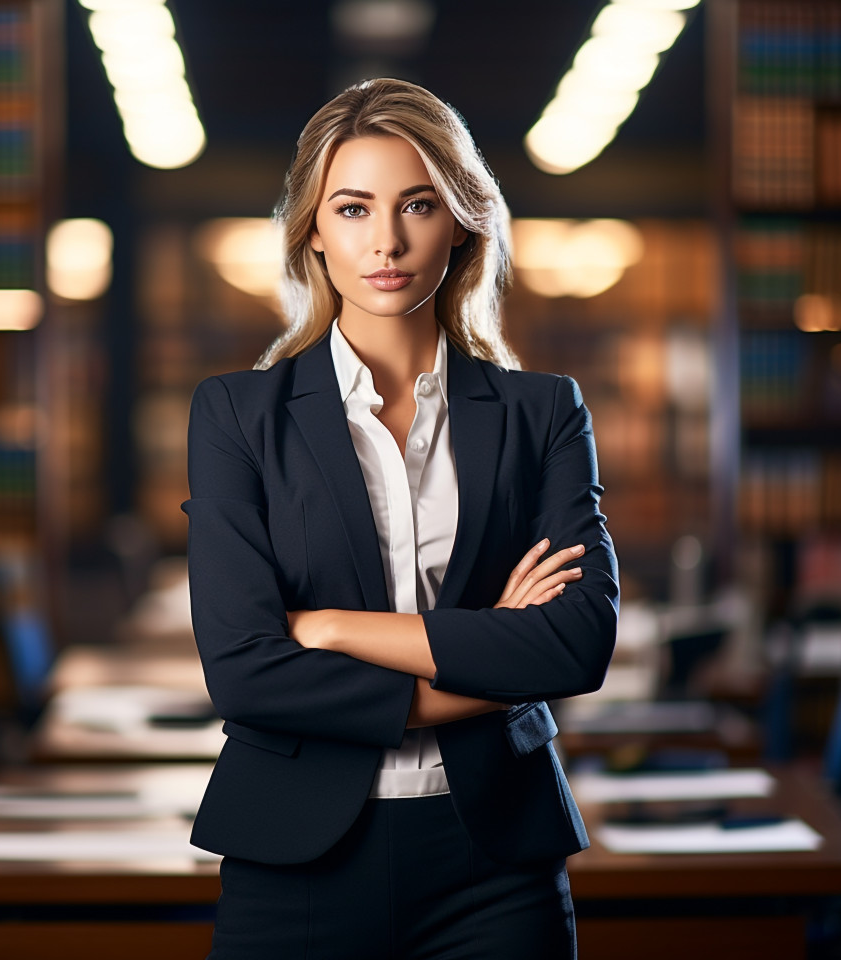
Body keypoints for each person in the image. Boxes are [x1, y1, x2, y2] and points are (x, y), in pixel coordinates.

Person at [183, 77, 618, 960]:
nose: (385, 240)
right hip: (294, 858)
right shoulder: (236, 415)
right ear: (312, 230)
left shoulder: (543, 412)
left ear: (461, 221)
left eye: (417, 204)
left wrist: (333, 628)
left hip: (496, 861)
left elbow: (577, 646)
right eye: (352, 208)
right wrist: (491, 644)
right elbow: (244, 673)